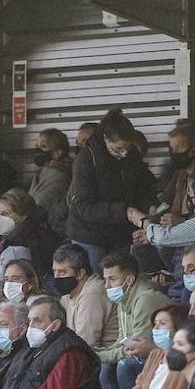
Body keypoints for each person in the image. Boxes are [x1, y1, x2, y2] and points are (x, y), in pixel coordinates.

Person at [66, 107, 156, 273]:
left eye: (128, 148)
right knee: (100, 281)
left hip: (121, 233)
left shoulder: (132, 155)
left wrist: (150, 205)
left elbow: (142, 187)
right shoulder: (86, 159)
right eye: (118, 148)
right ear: (105, 138)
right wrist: (126, 212)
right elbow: (84, 205)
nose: (124, 153)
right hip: (89, 234)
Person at [96, 252, 169, 389]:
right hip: (143, 353)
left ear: (129, 280)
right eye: (105, 279)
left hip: (161, 356)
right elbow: (123, 340)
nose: (106, 286)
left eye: (112, 279)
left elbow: (136, 349)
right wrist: (98, 352)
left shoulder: (144, 299)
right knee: (106, 367)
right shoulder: (123, 298)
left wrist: (98, 356)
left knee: (125, 366)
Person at [53, 243, 115, 351]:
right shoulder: (68, 294)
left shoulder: (92, 294)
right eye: (55, 272)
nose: (56, 278)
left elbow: (85, 342)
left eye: (62, 273)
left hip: (104, 356)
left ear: (80, 274)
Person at [27, 127, 72, 236]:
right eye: (37, 147)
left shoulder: (60, 177)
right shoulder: (42, 172)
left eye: (43, 146)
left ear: (58, 152)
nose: (38, 151)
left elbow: (39, 205)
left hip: (52, 233)